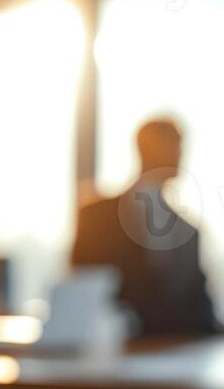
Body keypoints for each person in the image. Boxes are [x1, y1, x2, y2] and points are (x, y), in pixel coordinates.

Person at [71, 117, 216, 338]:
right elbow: (82, 290)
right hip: (111, 353)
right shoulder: (97, 217)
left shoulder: (189, 232)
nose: (180, 154)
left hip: (178, 356)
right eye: (172, 144)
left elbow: (201, 308)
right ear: (144, 147)